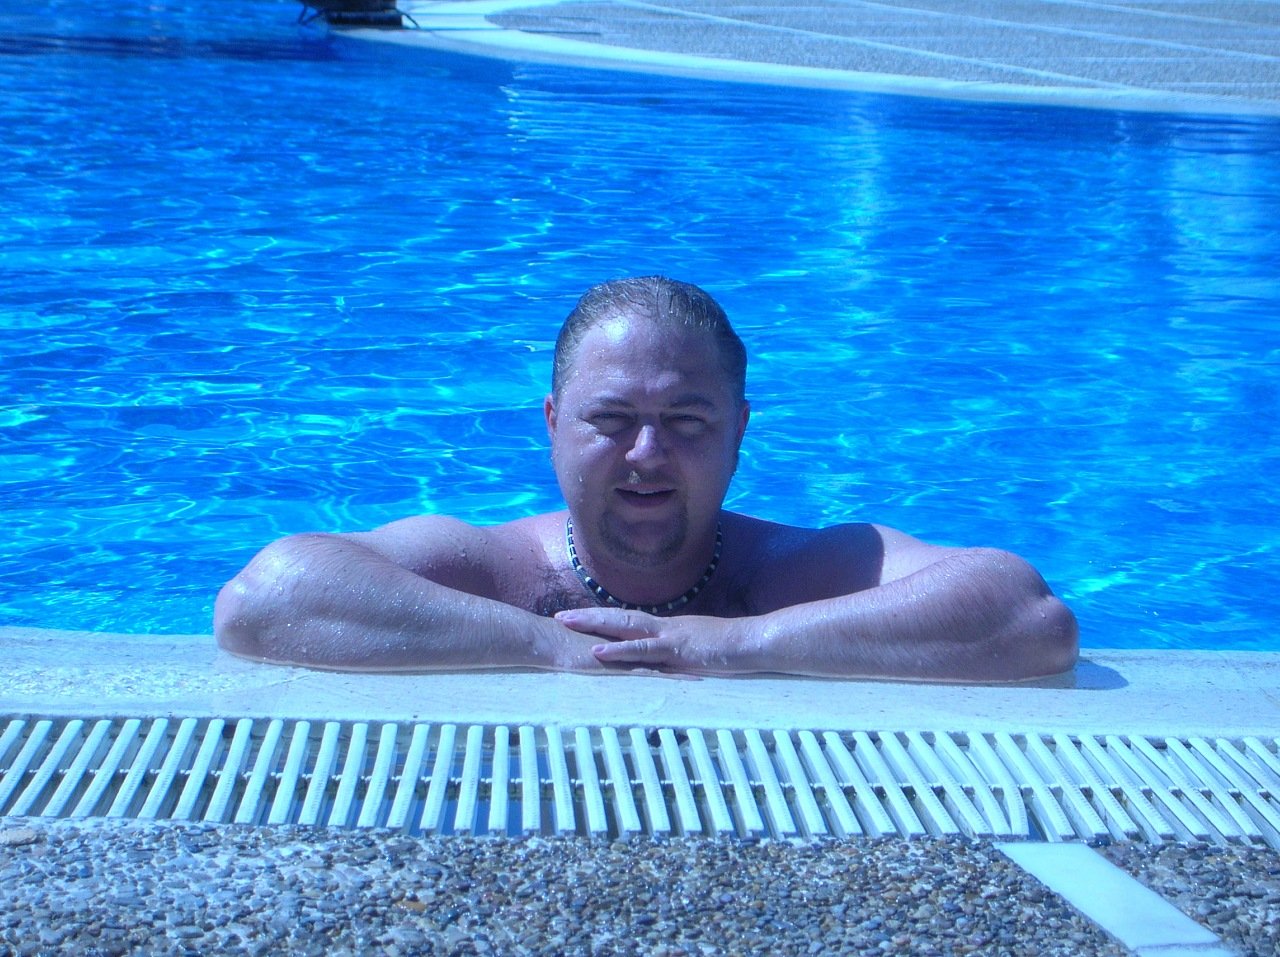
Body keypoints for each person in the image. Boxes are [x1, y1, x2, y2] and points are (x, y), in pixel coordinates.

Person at [215, 276, 1077, 681]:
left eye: (688, 421)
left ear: (739, 432)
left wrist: (737, 643)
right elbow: (263, 598)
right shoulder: (495, 569)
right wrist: (546, 644)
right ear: (553, 424)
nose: (647, 454)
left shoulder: (792, 574)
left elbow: (1028, 614)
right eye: (612, 419)